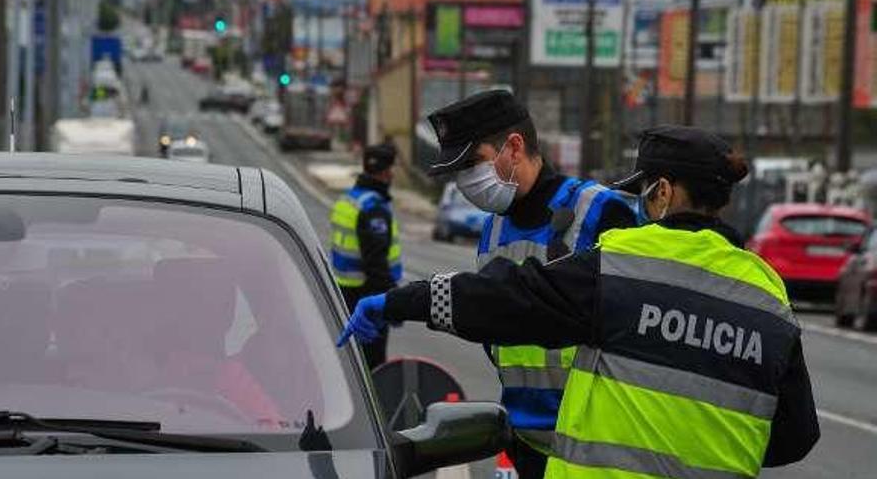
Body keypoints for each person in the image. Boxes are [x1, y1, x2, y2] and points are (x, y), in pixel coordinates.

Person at [339, 125, 820, 478]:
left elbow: (507, 298)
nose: (641, 206)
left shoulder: (622, 266)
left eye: (645, 194)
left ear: (665, 192)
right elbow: (795, 435)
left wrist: (396, 304)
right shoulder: (765, 290)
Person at [424, 90, 635, 478]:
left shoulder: (600, 210)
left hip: (594, 454)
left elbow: (630, 335)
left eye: (473, 163)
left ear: (514, 147)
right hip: (527, 447)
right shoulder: (493, 227)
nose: (465, 180)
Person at [330, 142, 402, 369]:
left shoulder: (348, 199)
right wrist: (395, 302)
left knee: (351, 363)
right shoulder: (373, 208)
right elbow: (376, 262)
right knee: (373, 365)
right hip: (369, 296)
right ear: (387, 172)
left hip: (344, 292)